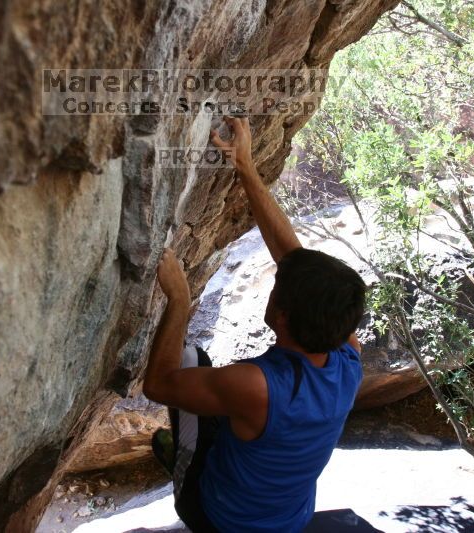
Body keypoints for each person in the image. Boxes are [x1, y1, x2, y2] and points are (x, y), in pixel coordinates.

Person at [143, 116, 367, 532]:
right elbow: (294, 260)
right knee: (222, 393)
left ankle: (183, 458)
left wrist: (179, 299)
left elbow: (156, 386)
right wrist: (245, 166)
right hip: (288, 519)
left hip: (219, 517)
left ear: (280, 314)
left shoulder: (255, 385)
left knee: (191, 359)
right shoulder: (347, 358)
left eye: (276, 288)